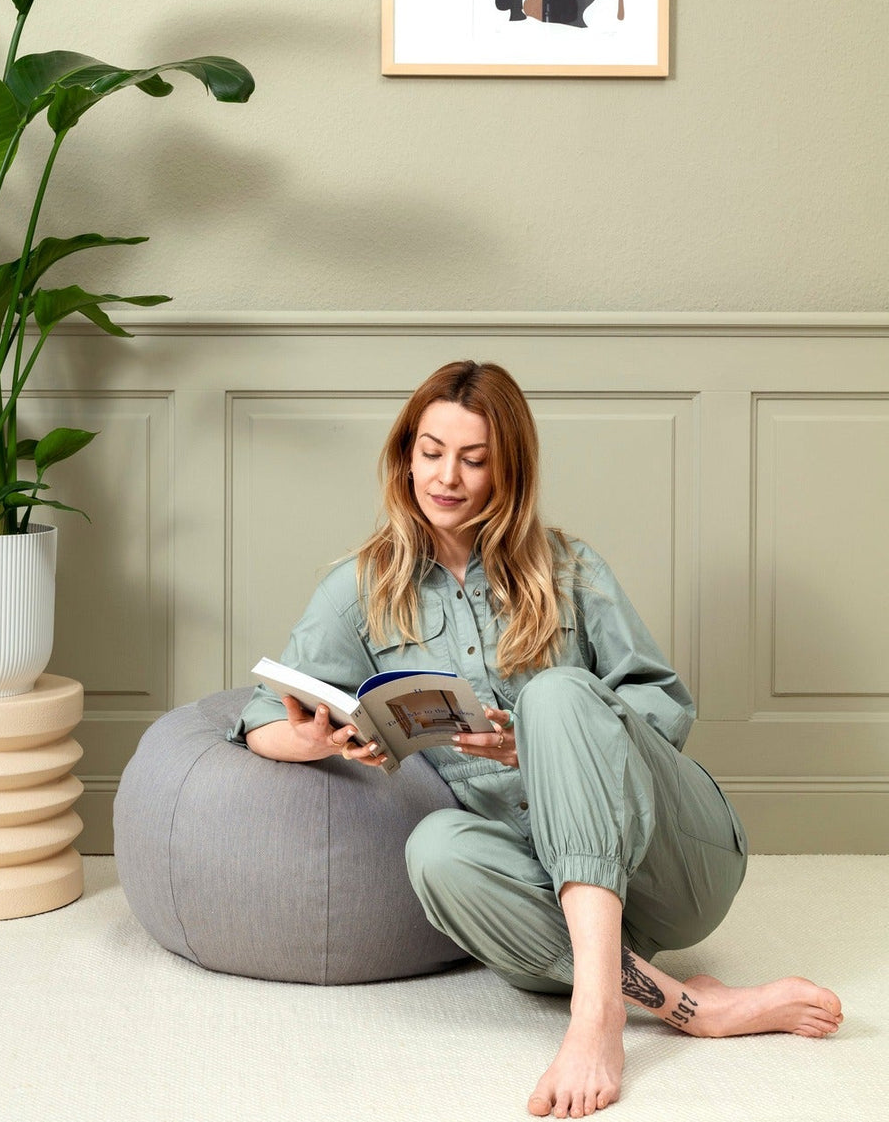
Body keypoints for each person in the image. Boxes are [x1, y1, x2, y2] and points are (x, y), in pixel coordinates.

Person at [229, 361, 843, 1119]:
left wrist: (546, 744)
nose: (445, 477)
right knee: (435, 851)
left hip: (670, 863)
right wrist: (321, 741)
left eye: (473, 459)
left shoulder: (569, 568)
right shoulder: (361, 588)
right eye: (430, 451)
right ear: (405, 455)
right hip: (534, 881)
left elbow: (663, 704)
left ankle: (596, 1016)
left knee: (555, 695)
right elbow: (263, 717)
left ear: (507, 470)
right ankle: (691, 1006)